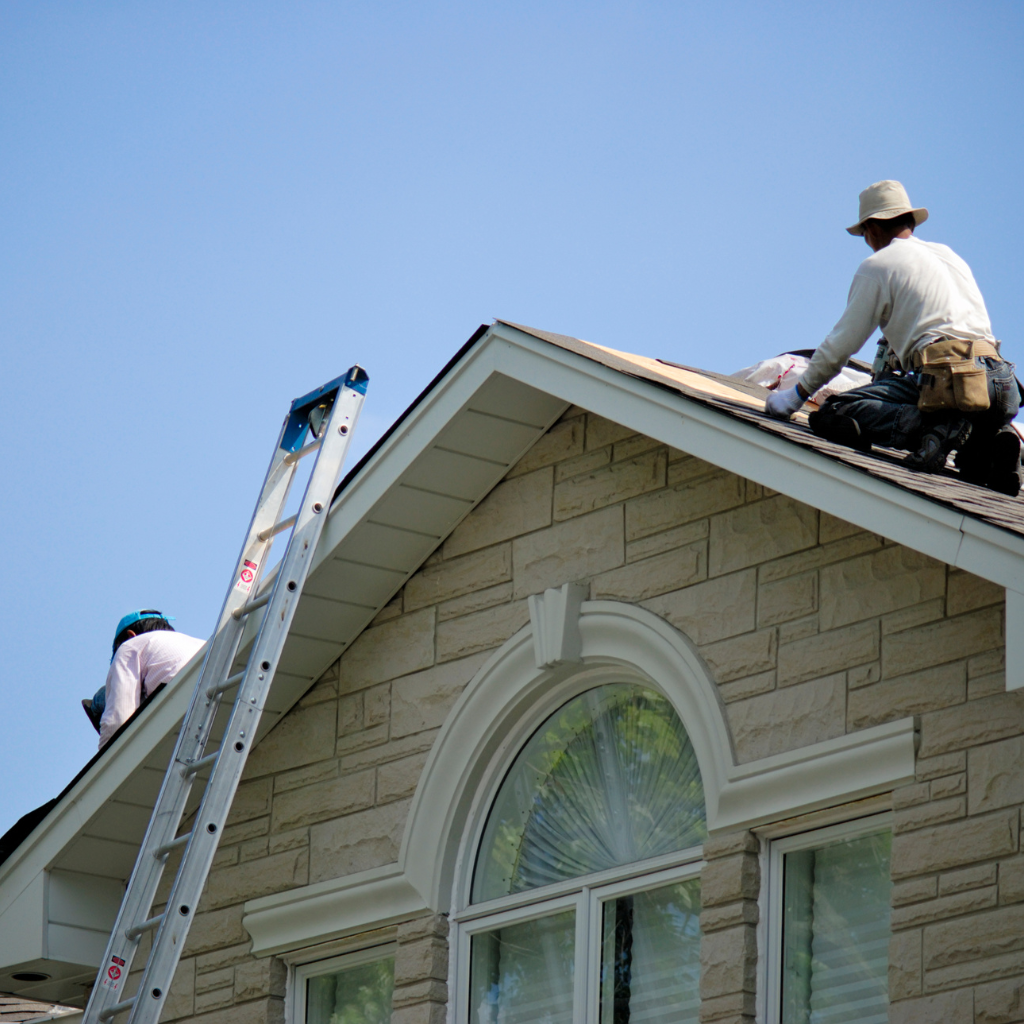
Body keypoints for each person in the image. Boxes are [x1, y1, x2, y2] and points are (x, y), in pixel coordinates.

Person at [765, 180, 1021, 494]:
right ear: (909, 220)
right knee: (972, 462)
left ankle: (933, 428)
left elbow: (840, 346)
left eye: (863, 235)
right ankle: (990, 442)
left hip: (948, 380)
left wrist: (793, 397)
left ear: (872, 228)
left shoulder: (879, 265)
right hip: (1001, 382)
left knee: (836, 411)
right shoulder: (948, 255)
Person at [85, 610, 204, 750]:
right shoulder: (195, 642)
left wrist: (105, 763)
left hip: (181, 706)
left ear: (130, 636)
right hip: (213, 697)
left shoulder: (130, 645)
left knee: (102, 698)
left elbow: (118, 720)